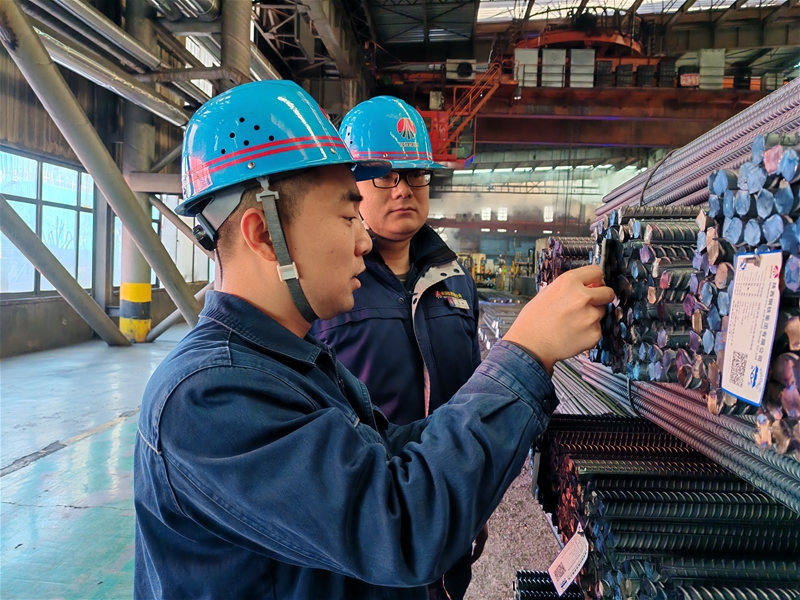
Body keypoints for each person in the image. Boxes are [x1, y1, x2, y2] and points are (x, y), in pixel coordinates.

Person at [133, 80, 614, 600]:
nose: (364, 240)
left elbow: (392, 457)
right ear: (265, 234)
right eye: (347, 216)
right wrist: (526, 354)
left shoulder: (294, 363)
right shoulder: (207, 399)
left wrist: (470, 484)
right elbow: (398, 522)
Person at [310, 96, 482, 600]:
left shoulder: (455, 279)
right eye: (385, 176)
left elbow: (470, 394)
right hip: (365, 527)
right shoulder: (328, 285)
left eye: (415, 174)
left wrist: (473, 503)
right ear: (352, 186)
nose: (403, 188)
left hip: (446, 513)